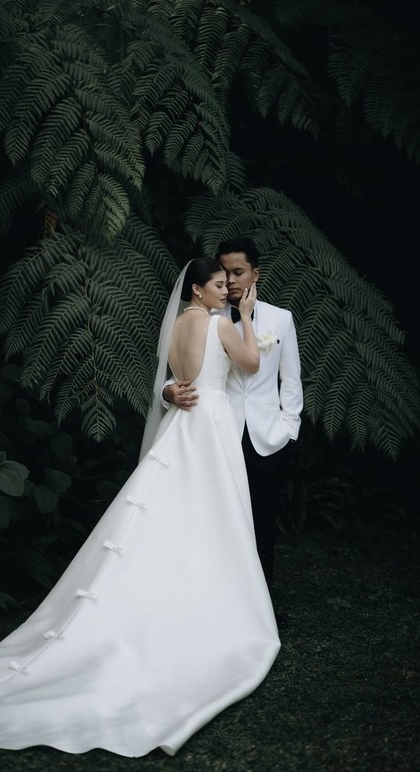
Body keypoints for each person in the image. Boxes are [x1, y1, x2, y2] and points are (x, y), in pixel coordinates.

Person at [0, 258, 280, 758]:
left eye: (229, 285)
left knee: (176, 512)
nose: (226, 291)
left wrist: (167, 390)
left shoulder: (179, 322)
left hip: (184, 425)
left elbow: (172, 375)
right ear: (198, 289)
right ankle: (208, 605)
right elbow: (250, 364)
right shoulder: (220, 321)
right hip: (209, 424)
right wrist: (244, 315)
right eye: (218, 285)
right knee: (209, 514)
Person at [163, 238, 303, 587]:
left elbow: (291, 379)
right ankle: (218, 593)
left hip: (267, 436)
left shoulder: (281, 320)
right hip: (215, 433)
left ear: (256, 273)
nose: (232, 281)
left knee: (262, 521)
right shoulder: (205, 317)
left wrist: (288, 428)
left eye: (239, 272)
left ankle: (262, 604)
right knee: (215, 519)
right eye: (225, 274)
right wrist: (168, 393)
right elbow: (178, 373)